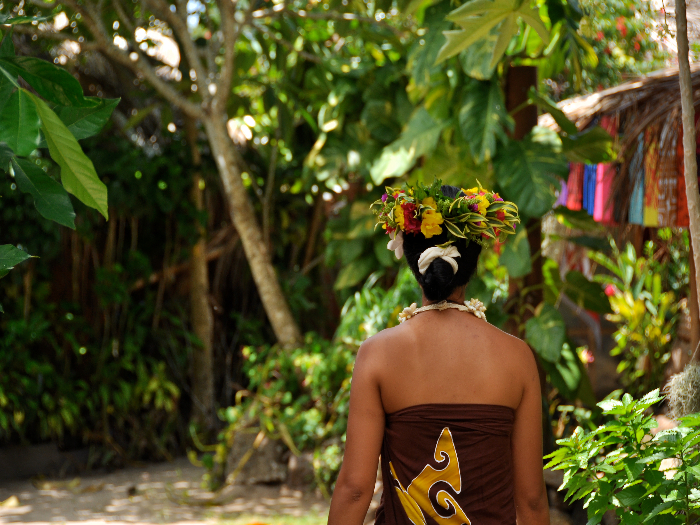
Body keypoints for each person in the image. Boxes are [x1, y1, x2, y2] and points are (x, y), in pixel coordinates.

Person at [327, 183, 549, 525]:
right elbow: (532, 500)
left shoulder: (378, 355)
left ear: (413, 262)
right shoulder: (517, 357)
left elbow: (355, 490)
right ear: (472, 262)